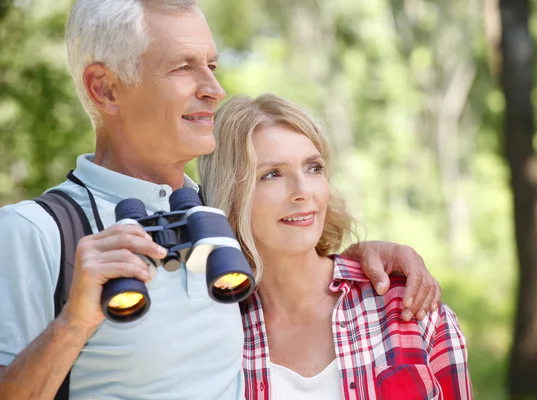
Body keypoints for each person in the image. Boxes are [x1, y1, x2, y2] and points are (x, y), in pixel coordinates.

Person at [0, 1, 441, 399]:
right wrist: (73, 324)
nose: (213, 87)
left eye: (211, 65)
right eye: (182, 67)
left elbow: (292, 242)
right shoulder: (37, 232)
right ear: (106, 89)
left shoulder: (216, 214)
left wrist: (367, 258)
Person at [198, 93, 472, 399]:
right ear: (230, 196)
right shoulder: (215, 329)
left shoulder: (406, 306)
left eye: (313, 168)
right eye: (272, 175)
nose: (304, 191)